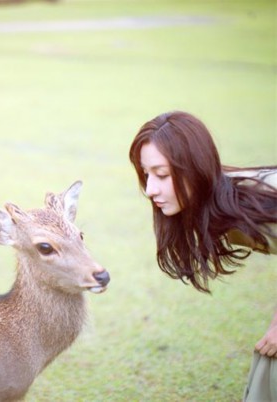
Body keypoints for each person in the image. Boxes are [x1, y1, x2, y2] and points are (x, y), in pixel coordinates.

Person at [128, 111, 277, 401]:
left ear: (195, 168)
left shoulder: (256, 200)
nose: (149, 190)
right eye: (147, 175)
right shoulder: (215, 206)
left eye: (162, 175)